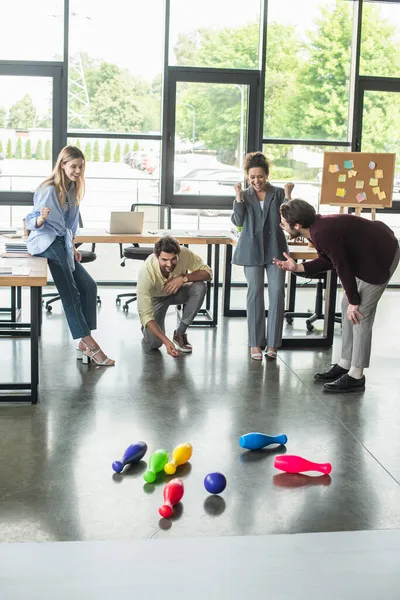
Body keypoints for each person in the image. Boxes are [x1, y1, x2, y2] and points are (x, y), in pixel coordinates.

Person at [274, 199, 400, 393]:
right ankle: (345, 363)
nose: (281, 224)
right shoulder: (316, 229)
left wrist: (355, 301)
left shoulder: (321, 232)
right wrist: (297, 267)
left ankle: (356, 375)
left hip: (381, 257)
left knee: (359, 314)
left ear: (297, 225)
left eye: (283, 221)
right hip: (366, 257)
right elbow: (328, 260)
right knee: (345, 306)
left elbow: (342, 267)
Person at [25, 145, 114, 366]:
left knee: (88, 286)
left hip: (62, 242)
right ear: (62, 164)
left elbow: (69, 226)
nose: (77, 171)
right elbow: (30, 221)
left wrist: (72, 247)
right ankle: (90, 343)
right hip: (45, 241)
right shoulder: (49, 189)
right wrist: (40, 220)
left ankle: (84, 341)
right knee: (70, 291)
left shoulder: (73, 189)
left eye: (81, 167)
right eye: (73, 166)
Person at [231, 151, 294, 360]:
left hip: (276, 249)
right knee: (255, 293)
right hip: (251, 250)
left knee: (277, 293)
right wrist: (238, 197)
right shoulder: (245, 195)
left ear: (267, 175)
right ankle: (255, 343)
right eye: (252, 177)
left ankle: (273, 344)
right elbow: (238, 221)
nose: (256, 181)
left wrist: (289, 196)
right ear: (247, 177)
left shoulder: (277, 194)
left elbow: (289, 218)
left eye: (260, 176)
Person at [137, 235, 212, 357]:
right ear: (157, 257)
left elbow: (208, 273)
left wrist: (184, 278)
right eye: (164, 260)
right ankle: (147, 328)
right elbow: (145, 315)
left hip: (177, 292)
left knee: (199, 287)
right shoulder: (146, 272)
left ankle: (180, 333)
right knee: (155, 344)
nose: (169, 264)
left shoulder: (184, 253)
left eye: (173, 259)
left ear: (178, 254)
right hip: (156, 299)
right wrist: (166, 342)